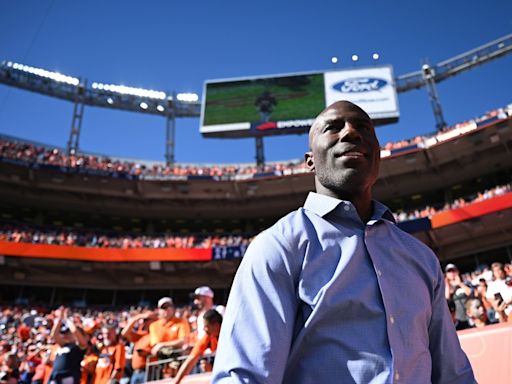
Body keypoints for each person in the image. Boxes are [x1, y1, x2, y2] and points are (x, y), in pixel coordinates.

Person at [212, 101, 475, 383]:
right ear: (310, 160)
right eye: (333, 127)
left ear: (377, 154)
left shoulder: (421, 258)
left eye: (363, 127)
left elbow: (453, 374)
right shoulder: (279, 246)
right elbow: (244, 376)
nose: (351, 133)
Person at [172, 309, 222, 384]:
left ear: (216, 326)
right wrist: (176, 382)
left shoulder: (230, 336)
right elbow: (191, 360)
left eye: (206, 326)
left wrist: (213, 369)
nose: (204, 329)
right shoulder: (207, 337)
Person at [48, 307, 87, 384]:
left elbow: (75, 331)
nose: (66, 334)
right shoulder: (64, 345)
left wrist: (67, 319)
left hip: (68, 377)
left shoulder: (79, 347)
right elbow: (54, 335)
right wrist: (60, 319)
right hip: (55, 377)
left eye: (68, 332)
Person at [444, 263, 473, 330]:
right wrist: (448, 285)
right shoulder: (445, 287)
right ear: (446, 274)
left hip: (470, 316)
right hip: (458, 318)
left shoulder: (466, 282)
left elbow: (470, 293)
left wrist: (459, 283)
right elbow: (447, 299)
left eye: (453, 271)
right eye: (449, 271)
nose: (452, 273)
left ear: (457, 271)